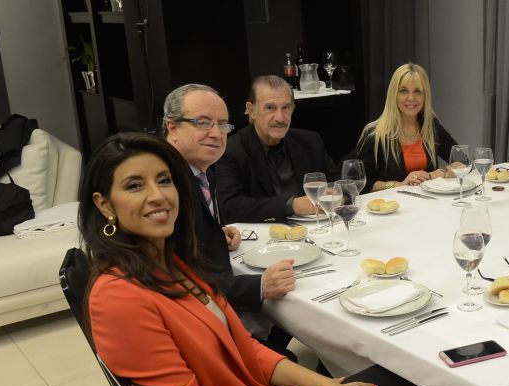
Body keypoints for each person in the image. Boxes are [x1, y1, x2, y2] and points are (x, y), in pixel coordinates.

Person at [80, 133, 435, 386]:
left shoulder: (169, 262)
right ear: (104, 204)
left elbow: (244, 346)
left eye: (164, 180)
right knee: (411, 377)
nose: (157, 195)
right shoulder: (119, 296)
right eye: (135, 185)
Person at [162, 83, 296, 355]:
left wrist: (214, 231)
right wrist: (258, 286)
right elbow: (176, 276)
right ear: (172, 127)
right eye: (202, 122)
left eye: (222, 124)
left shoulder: (200, 167)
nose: (215, 133)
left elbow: (186, 238)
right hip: (194, 327)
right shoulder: (166, 184)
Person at [215, 75, 340, 223]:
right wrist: (290, 205)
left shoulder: (310, 141)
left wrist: (337, 193)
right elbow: (230, 207)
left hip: (318, 226)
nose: (280, 118)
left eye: (286, 107)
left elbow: (336, 182)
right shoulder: (231, 150)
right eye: (270, 108)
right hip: (264, 236)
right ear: (251, 110)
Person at [354, 63, 457, 191]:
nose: (411, 98)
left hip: (429, 203)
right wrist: (399, 184)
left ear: (425, 96)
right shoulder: (374, 134)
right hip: (392, 206)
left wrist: (438, 173)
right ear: (394, 95)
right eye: (404, 91)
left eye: (417, 92)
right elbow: (358, 183)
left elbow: (462, 161)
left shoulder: (431, 126)